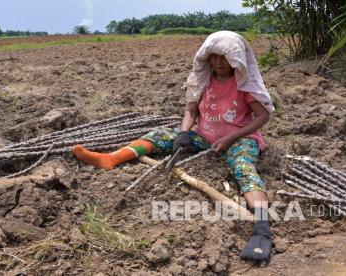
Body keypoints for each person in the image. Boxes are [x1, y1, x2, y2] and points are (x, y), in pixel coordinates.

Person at [72, 31, 275, 262]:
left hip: (239, 138)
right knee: (159, 135)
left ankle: (261, 226)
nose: (218, 63)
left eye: (224, 58)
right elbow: (191, 110)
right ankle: (112, 158)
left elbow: (262, 117)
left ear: (236, 58)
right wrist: (184, 133)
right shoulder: (202, 79)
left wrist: (230, 138)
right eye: (214, 57)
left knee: (243, 166)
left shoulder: (244, 84)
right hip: (205, 135)